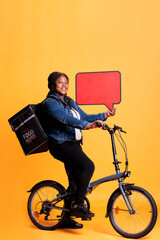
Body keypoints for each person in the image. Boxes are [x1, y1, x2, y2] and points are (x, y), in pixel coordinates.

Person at [43, 71, 116, 229]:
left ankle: (66, 218)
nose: (64, 85)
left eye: (66, 82)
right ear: (53, 85)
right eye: (60, 82)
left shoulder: (69, 101)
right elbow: (65, 118)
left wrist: (104, 115)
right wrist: (87, 126)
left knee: (75, 182)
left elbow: (83, 116)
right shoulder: (50, 103)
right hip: (60, 144)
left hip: (73, 143)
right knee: (88, 166)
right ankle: (78, 205)